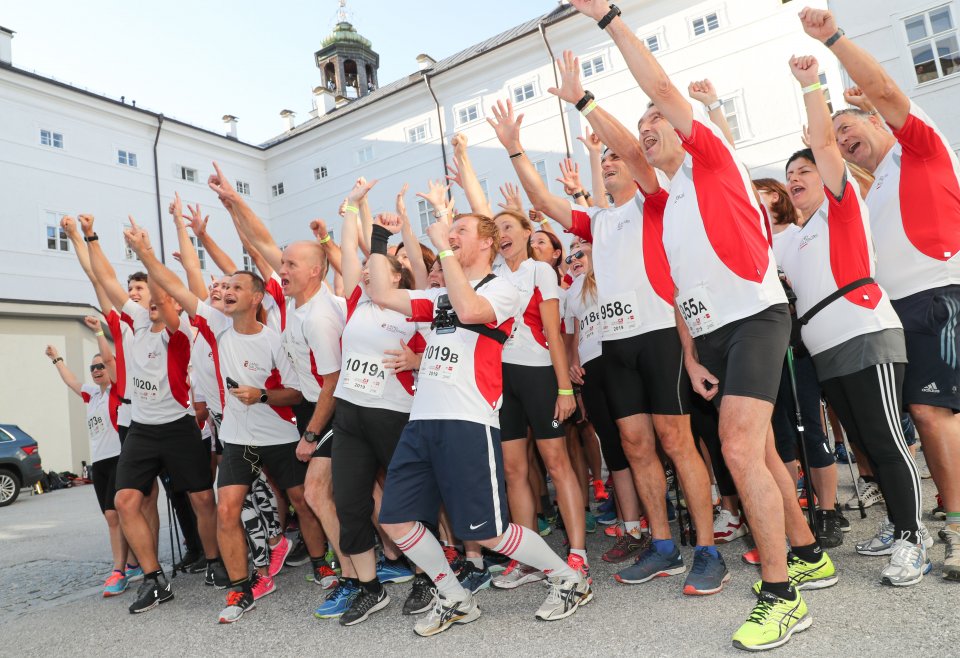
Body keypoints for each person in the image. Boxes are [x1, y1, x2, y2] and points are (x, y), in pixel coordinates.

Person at [564, 1, 832, 649]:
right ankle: (807, 553)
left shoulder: (710, 158)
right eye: (643, 126)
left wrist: (609, 21)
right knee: (759, 451)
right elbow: (628, 149)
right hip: (712, 333)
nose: (646, 127)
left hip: (757, 316)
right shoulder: (665, 192)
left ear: (684, 127)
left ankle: (780, 595)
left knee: (738, 448)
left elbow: (658, 87)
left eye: (657, 120)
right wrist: (581, 106)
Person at [489, 60, 726, 595]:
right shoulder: (596, 221)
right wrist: (514, 148)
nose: (613, 162)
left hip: (658, 333)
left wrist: (583, 101)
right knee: (636, 444)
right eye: (608, 158)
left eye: (619, 156)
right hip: (610, 348)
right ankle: (662, 545)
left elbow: (633, 153)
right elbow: (546, 204)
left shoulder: (652, 200)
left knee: (677, 440)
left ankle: (708, 550)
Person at [369, 211, 592, 637]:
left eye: (460, 233)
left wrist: (445, 249)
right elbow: (381, 293)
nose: (450, 238)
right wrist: (381, 235)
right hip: (423, 422)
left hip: (468, 420)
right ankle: (454, 597)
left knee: (488, 532)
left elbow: (471, 310)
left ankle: (569, 579)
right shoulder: (441, 295)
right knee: (396, 520)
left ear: (486, 242)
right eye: (449, 234)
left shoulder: (503, 288)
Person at [800, 6, 960, 582]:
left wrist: (833, 40)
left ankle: (955, 528)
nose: (844, 140)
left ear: (878, 123)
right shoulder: (868, 194)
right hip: (892, 313)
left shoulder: (921, 146)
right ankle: (905, 521)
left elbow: (886, 89)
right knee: (894, 425)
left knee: (930, 412)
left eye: (852, 128)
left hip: (939, 295)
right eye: (838, 137)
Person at [779, 54, 925, 584]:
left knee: (886, 441)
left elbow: (822, 145)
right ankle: (899, 522)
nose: (795, 178)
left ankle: (913, 538)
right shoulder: (791, 238)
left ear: (827, 176)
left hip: (866, 335)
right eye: (789, 174)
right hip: (825, 349)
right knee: (863, 443)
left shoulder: (842, 207)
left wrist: (811, 86)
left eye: (804, 171)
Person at [124, 224, 310, 622]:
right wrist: (144, 254)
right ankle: (240, 589)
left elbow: (295, 394)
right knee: (228, 510)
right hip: (237, 437)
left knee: (302, 502)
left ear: (256, 298)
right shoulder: (216, 324)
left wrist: (260, 394)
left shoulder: (275, 339)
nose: (226, 293)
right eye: (224, 288)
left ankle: (324, 565)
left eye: (236, 288)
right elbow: (177, 286)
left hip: (278, 433)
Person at [207, 163, 350, 591]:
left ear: (312, 271)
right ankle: (248, 586)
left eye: (289, 263)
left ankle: (356, 569)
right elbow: (260, 241)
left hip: (329, 406)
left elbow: (331, 383)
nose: (280, 268)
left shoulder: (322, 308)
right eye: (280, 264)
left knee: (324, 496)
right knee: (315, 496)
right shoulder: (287, 300)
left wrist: (305, 431)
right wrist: (233, 203)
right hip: (303, 409)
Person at [79, 213, 226, 614]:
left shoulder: (179, 335)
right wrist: (92, 235)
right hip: (142, 429)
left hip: (178, 426)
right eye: (153, 301)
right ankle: (153, 578)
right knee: (126, 501)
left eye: (163, 301)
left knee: (200, 499)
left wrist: (145, 249)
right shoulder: (136, 322)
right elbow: (107, 280)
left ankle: (214, 562)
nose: (156, 305)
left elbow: (165, 296)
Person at [323, 180, 430, 625]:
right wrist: (353, 204)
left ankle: (428, 575)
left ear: (398, 277)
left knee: (407, 499)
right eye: (366, 271)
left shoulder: (415, 305)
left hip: (393, 415)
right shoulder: (356, 304)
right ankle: (371, 589)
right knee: (349, 501)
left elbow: (424, 273)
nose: (367, 273)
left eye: (378, 269)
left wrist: (418, 357)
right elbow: (350, 250)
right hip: (349, 415)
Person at [755, 177, 844, 548]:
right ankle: (791, 514)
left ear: (774, 196)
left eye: (756, 192)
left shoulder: (798, 234)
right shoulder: (755, 237)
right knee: (781, 437)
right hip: (765, 346)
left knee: (810, 424)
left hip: (799, 343)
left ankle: (827, 511)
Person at [563, 239, 646, 564]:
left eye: (580, 253)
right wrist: (573, 370)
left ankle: (653, 522)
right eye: (570, 258)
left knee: (638, 445)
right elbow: (574, 333)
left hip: (620, 360)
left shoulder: (613, 274)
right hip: (590, 371)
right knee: (613, 450)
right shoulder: (572, 291)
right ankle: (631, 530)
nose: (574, 260)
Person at [46, 326, 134, 597]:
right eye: (92, 367)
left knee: (113, 514)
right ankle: (132, 563)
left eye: (100, 366)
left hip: (120, 458)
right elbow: (72, 382)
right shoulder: (92, 395)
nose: (96, 371)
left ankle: (120, 570)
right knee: (112, 517)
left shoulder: (118, 391)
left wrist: (102, 336)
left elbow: (111, 361)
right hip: (100, 463)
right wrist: (57, 359)